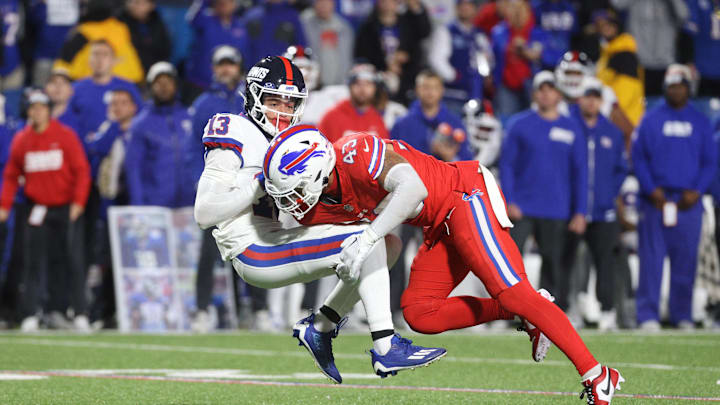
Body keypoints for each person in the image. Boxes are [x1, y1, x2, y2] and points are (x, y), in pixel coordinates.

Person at [263, 124, 624, 405]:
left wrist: (368, 237)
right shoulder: (317, 202)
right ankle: (526, 312)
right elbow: (385, 244)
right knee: (420, 313)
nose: (293, 203)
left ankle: (597, 374)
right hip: (437, 225)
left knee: (512, 290)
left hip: (464, 195)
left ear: (317, 171)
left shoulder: (356, 152)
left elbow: (413, 188)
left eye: (294, 191)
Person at [193, 55, 444, 382]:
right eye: (273, 101)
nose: (282, 111)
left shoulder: (287, 138)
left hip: (277, 236)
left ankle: (321, 326)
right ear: (253, 96)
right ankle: (385, 346)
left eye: (290, 102)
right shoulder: (235, 130)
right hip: (253, 250)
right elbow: (204, 213)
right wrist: (258, 185)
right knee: (364, 241)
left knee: (388, 244)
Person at [631, 64, 717, 331]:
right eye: (671, 85)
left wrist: (698, 190)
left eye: (680, 85)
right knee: (651, 260)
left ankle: (682, 314)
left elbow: (710, 162)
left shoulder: (701, 121)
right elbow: (638, 156)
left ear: (688, 88)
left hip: (688, 202)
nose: (675, 89)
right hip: (655, 200)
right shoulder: (650, 119)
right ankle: (648, 315)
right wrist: (650, 188)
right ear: (665, 87)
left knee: (686, 260)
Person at [0, 90, 91, 332]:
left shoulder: (65, 136)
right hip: (37, 207)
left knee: (72, 260)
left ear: (49, 110)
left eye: (41, 107)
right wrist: (4, 205)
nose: (37, 112)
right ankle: (31, 312)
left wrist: (78, 202)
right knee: (33, 262)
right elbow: (11, 175)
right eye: (32, 108)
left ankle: (78, 312)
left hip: (65, 207)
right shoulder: (22, 139)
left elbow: (82, 170)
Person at [499, 71, 587, 311]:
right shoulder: (519, 125)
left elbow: (580, 172)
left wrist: (580, 211)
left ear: (559, 94)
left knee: (553, 263)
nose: (546, 94)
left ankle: (548, 314)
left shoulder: (573, 128)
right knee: (510, 263)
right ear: (535, 94)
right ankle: (507, 310)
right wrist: (509, 200)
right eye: (541, 89)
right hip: (522, 208)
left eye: (551, 89)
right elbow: (507, 165)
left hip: (557, 208)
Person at [187, 45, 247, 332]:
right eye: (221, 64)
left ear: (239, 67)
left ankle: (251, 309)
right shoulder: (203, 103)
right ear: (214, 68)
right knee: (209, 253)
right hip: (216, 188)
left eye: (231, 64)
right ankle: (201, 308)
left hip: (246, 187)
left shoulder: (249, 98)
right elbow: (191, 148)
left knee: (249, 248)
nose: (226, 69)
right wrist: (198, 183)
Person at [566, 76, 628, 331]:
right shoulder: (569, 126)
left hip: (603, 211)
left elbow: (621, 169)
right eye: (586, 96)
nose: (591, 101)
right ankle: (569, 309)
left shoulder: (612, 132)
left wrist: (607, 193)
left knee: (605, 262)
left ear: (601, 101)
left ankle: (607, 310)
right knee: (567, 261)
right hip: (572, 209)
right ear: (580, 99)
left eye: (595, 97)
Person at [124, 62, 194, 208]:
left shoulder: (189, 117)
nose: (164, 87)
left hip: (189, 203)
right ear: (150, 87)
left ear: (176, 85)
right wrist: (138, 205)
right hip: (155, 206)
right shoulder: (140, 124)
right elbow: (133, 168)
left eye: (168, 82)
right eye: (159, 83)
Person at [354, 0, 432, 104]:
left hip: (407, 84)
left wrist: (406, 58)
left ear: (398, 3)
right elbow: (362, 57)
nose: (388, 4)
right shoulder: (368, 28)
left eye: (392, 1)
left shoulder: (408, 23)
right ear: (377, 3)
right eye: (384, 1)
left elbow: (424, 31)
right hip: (377, 86)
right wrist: (385, 68)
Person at [554, 51, 634, 149]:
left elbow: (629, 133)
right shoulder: (552, 98)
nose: (573, 78)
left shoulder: (604, 95)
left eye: (578, 73)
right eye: (569, 73)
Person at [53, 0, 144, 84]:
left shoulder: (84, 31)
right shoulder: (121, 28)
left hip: (90, 83)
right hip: (126, 81)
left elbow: (64, 61)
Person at [391, 70, 473, 162]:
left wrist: (450, 158)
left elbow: (467, 164)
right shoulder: (401, 125)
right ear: (417, 89)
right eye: (426, 87)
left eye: (435, 88)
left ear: (442, 90)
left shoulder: (456, 123)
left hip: (443, 175)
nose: (430, 92)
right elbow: (392, 160)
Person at [611, 0, 688, 96]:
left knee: (663, 106)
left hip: (665, 63)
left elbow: (684, 15)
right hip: (639, 62)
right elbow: (617, 4)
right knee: (640, 104)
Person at [428, 0, 493, 113]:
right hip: (453, 94)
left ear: (475, 9)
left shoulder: (479, 34)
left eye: (469, 5)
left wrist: (487, 72)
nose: (465, 8)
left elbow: (488, 59)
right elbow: (436, 59)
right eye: (462, 5)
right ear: (457, 8)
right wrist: (453, 76)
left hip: (476, 93)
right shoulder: (448, 31)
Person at [490, 0, 545, 117]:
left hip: (531, 85)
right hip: (506, 85)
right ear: (507, 11)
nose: (517, 12)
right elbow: (492, 57)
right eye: (513, 8)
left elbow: (551, 56)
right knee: (506, 121)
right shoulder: (498, 32)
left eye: (521, 9)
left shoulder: (538, 33)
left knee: (533, 119)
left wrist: (529, 52)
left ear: (528, 12)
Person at [593, 9, 644, 127]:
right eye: (603, 25)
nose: (606, 28)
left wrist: (608, 110)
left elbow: (628, 88)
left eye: (610, 25)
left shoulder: (624, 53)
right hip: (617, 117)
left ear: (617, 27)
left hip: (625, 120)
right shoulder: (608, 52)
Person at [185, 0, 248, 93]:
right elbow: (191, 19)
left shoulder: (241, 25)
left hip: (231, 86)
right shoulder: (204, 20)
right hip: (200, 83)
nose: (224, 4)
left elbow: (246, 55)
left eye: (228, 2)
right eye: (220, 2)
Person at [318, 65, 389, 143]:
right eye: (357, 83)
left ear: (375, 88)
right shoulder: (331, 116)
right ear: (349, 86)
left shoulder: (378, 119)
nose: (362, 89)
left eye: (368, 84)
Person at [300, 0, 355, 87]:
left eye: (327, 2)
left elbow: (347, 58)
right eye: (320, 2)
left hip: (339, 85)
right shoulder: (303, 24)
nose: (323, 6)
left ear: (333, 4)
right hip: (313, 85)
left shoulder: (343, 27)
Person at [27, 0, 80, 87]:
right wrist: (41, 4)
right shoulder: (40, 4)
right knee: (40, 92)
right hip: (44, 54)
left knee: (68, 93)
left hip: (69, 56)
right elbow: (32, 19)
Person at [242, 0, 307, 70]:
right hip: (254, 71)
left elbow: (301, 48)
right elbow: (244, 46)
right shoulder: (251, 16)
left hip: (283, 73)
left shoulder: (293, 16)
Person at [117, 0, 172, 74]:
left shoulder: (157, 21)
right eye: (134, 2)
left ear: (151, 6)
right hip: (128, 72)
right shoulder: (119, 22)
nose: (136, 6)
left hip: (153, 70)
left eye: (141, 3)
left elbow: (164, 49)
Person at [684, 0, 720, 97]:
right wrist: (688, 60)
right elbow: (688, 33)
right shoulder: (695, 3)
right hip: (701, 69)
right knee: (701, 107)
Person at [462, 98, 502, 167]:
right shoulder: (463, 125)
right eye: (482, 129)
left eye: (486, 129)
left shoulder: (491, 124)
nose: (483, 132)